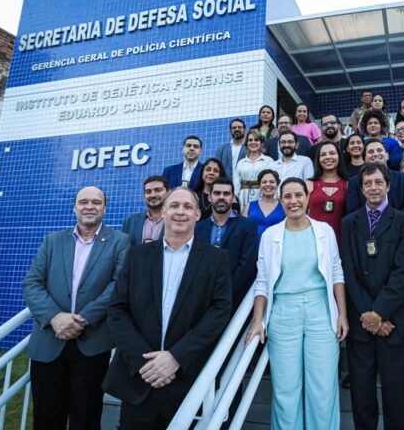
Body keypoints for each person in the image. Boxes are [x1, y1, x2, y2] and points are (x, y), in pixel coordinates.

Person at [103, 188, 232, 429]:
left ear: (197, 215)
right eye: (174, 206)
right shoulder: (136, 255)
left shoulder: (216, 259)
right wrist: (145, 362)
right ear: (163, 212)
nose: (180, 212)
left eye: (187, 207)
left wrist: (176, 357)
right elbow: (118, 309)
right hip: (140, 377)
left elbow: (219, 312)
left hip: (185, 379)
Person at [23, 186, 130, 430]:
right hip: (49, 342)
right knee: (46, 418)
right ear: (74, 207)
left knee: (86, 418)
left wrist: (82, 319)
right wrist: (54, 317)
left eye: (96, 202)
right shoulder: (52, 241)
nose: (89, 206)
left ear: (105, 208)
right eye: (83, 202)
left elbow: (118, 285)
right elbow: (32, 283)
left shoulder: (120, 241)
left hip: (91, 344)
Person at [246, 178, 348, 430]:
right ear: (281, 200)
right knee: (285, 389)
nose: (293, 201)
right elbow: (262, 281)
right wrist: (257, 320)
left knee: (323, 388)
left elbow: (337, 272)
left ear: (307, 197)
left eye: (298, 195)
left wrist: (342, 314)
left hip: (321, 312)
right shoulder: (270, 235)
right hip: (283, 314)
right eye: (288, 196)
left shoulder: (324, 231)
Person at [341, 163, 404, 430]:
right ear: (361, 189)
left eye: (378, 182)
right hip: (362, 323)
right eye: (368, 183)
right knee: (362, 396)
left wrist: (380, 313)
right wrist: (368, 315)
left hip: (394, 323)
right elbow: (349, 270)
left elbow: (403, 272)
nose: (373, 188)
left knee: (397, 396)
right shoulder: (349, 223)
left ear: (388, 185)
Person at [195, 177, 259, 311]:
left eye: (226, 193)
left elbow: (247, 266)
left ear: (233, 198)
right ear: (210, 197)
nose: (221, 197)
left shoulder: (248, 226)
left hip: (234, 299)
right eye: (217, 193)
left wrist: (224, 292)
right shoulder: (198, 228)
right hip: (201, 297)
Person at [346, 139, 404, 215]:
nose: (375, 154)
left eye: (379, 150)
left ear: (387, 155)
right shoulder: (355, 182)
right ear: (365, 158)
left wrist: (393, 221)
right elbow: (353, 211)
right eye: (371, 152)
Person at [306, 141, 349, 245]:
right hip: (314, 240)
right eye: (323, 154)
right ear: (318, 159)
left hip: (341, 240)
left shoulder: (348, 184)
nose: (328, 157)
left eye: (332, 153)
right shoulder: (309, 184)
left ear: (339, 157)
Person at [233, 130, 274, 209]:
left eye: (256, 140)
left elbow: (273, 181)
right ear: (247, 143)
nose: (253, 142)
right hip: (243, 197)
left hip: (262, 195)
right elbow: (236, 183)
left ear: (261, 142)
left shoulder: (269, 161)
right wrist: (235, 199)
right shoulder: (241, 163)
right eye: (250, 140)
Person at [122, 175, 168, 245]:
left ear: (168, 192)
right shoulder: (130, 221)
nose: (153, 195)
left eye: (158, 190)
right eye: (148, 192)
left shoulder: (176, 219)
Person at [242, 169, 285, 240]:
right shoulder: (249, 206)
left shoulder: (283, 206)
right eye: (264, 182)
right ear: (259, 185)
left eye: (272, 182)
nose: (268, 184)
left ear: (277, 185)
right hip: (253, 245)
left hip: (276, 245)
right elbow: (242, 229)